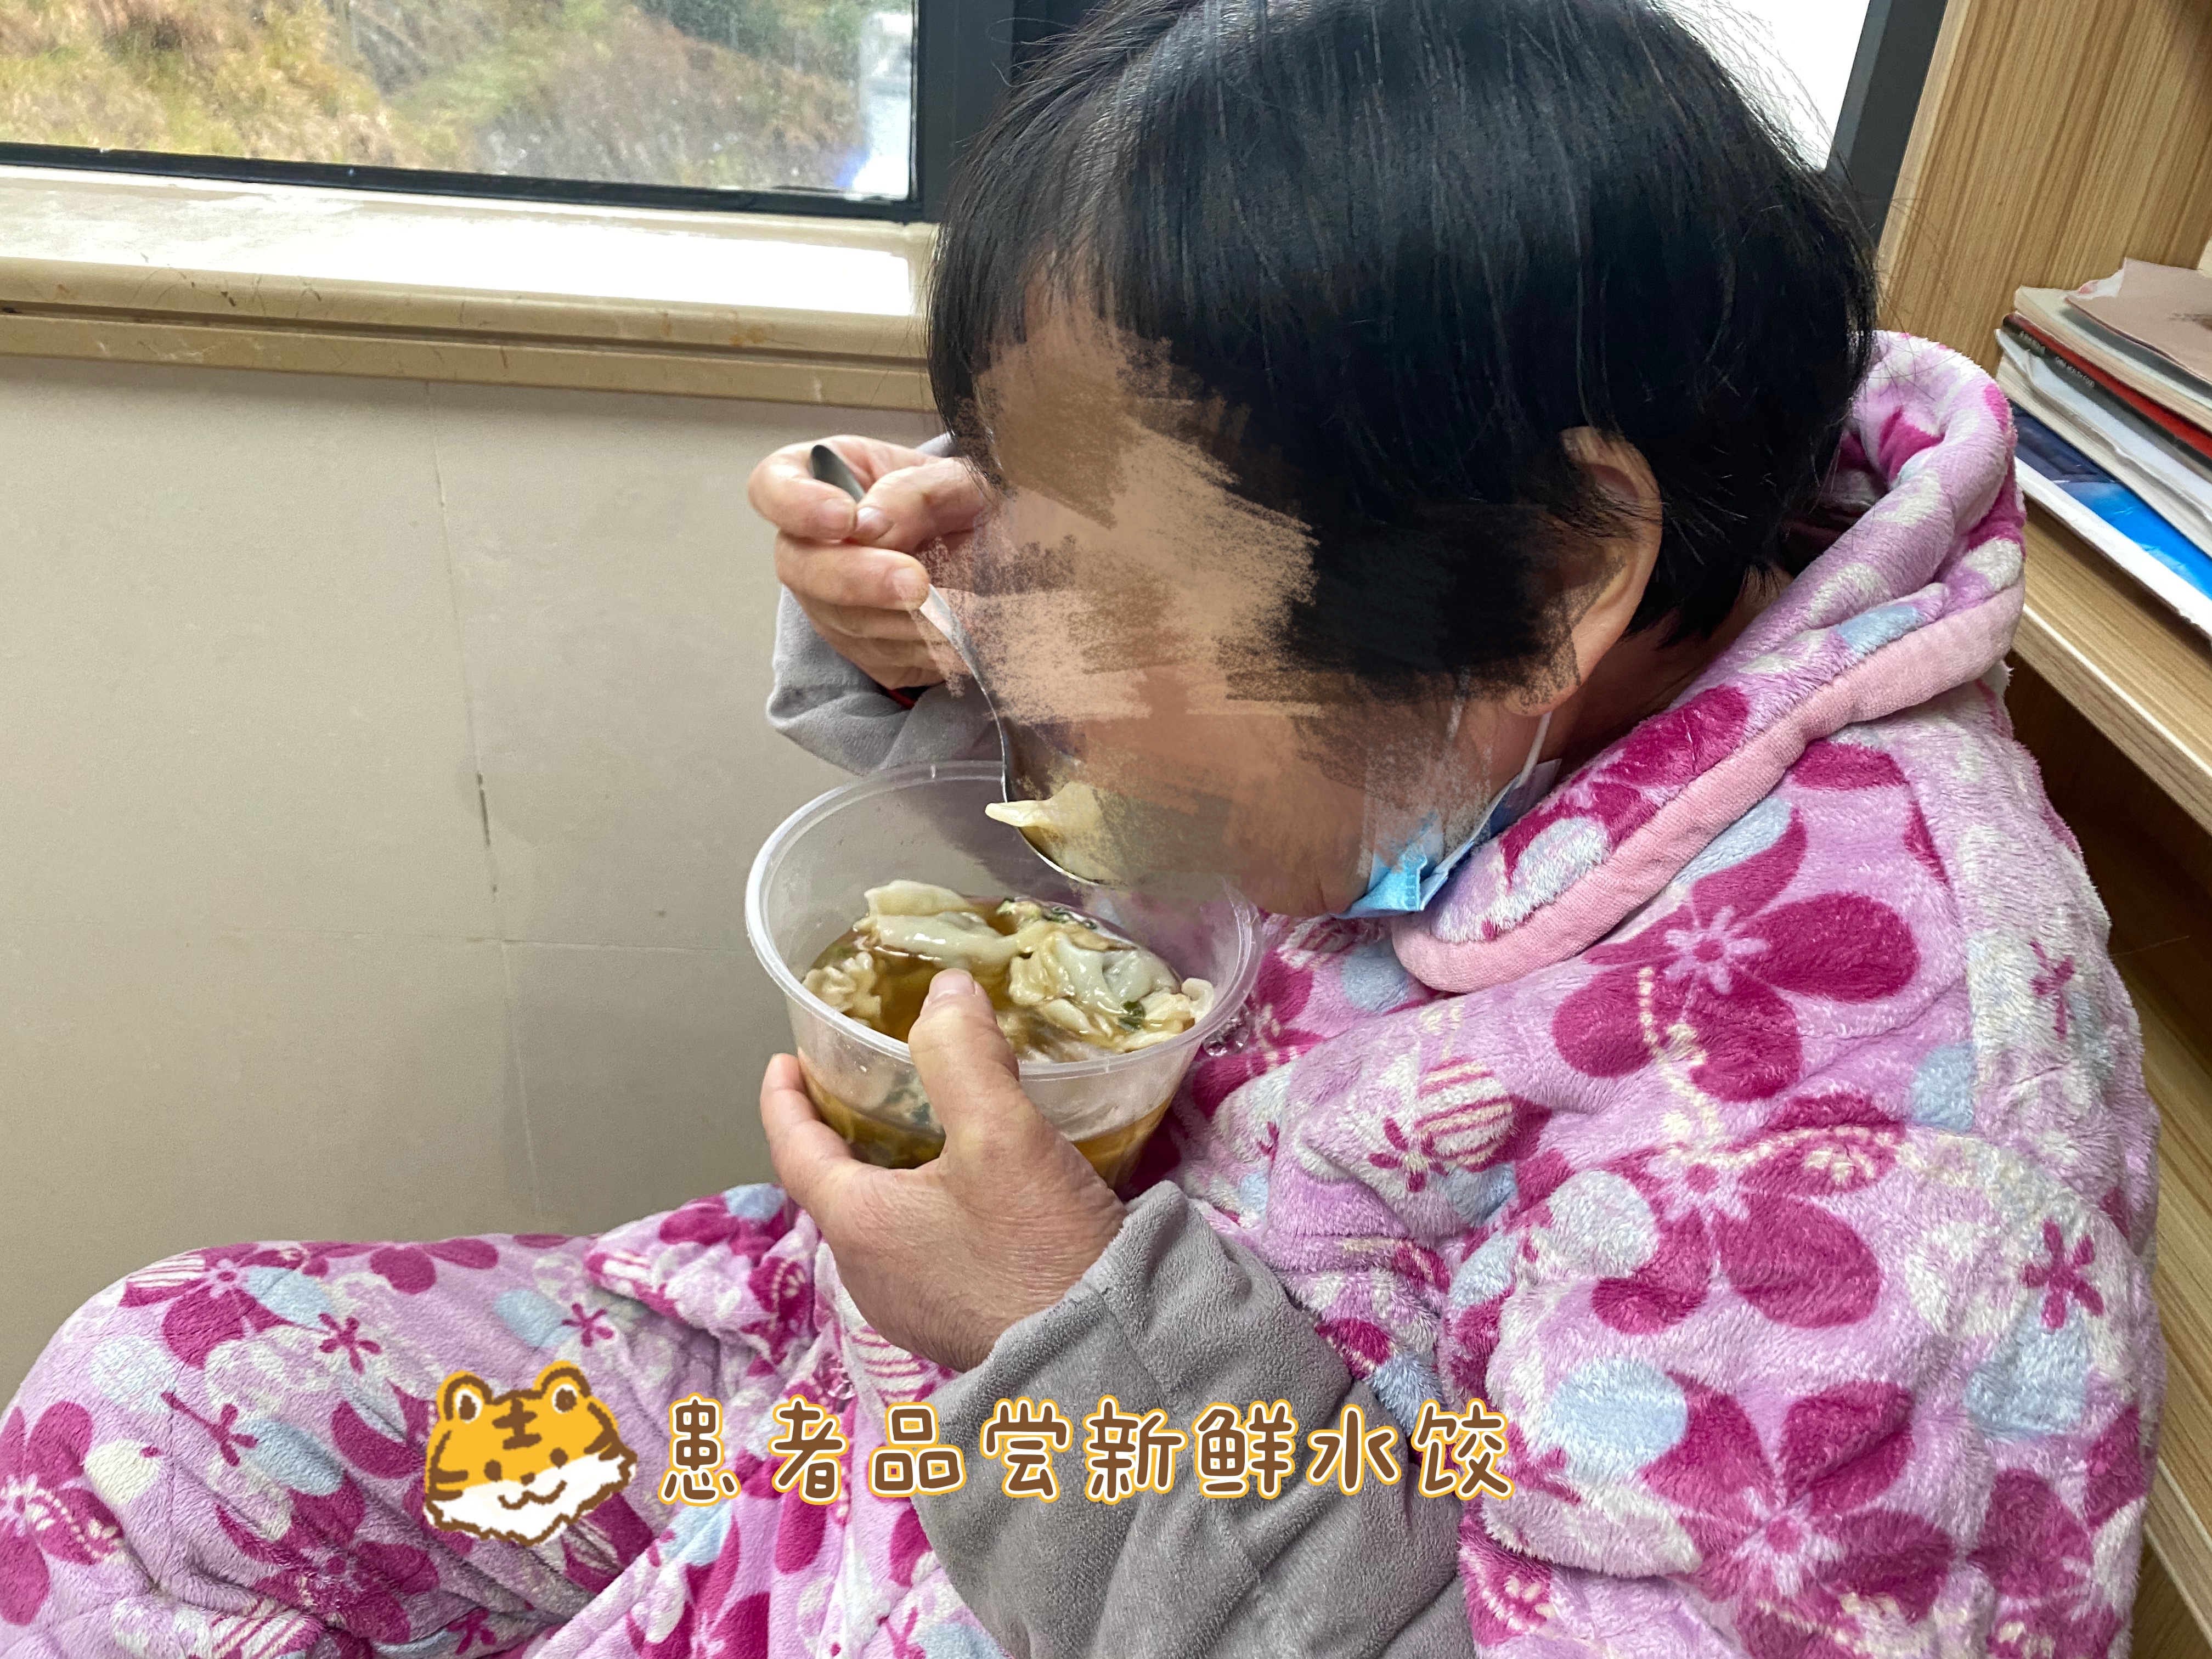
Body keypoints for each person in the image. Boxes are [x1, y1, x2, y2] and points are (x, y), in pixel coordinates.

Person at [2, 0, 2160, 1655]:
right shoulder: (1505, 659)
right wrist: (942, 643)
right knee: (152, 1410)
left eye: (1087, 573)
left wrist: (1060, 1327)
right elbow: (1216, 853)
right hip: (824, 1390)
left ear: (1558, 564)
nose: (1024, 615)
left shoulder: (1870, 1161)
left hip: (1088, 1496)